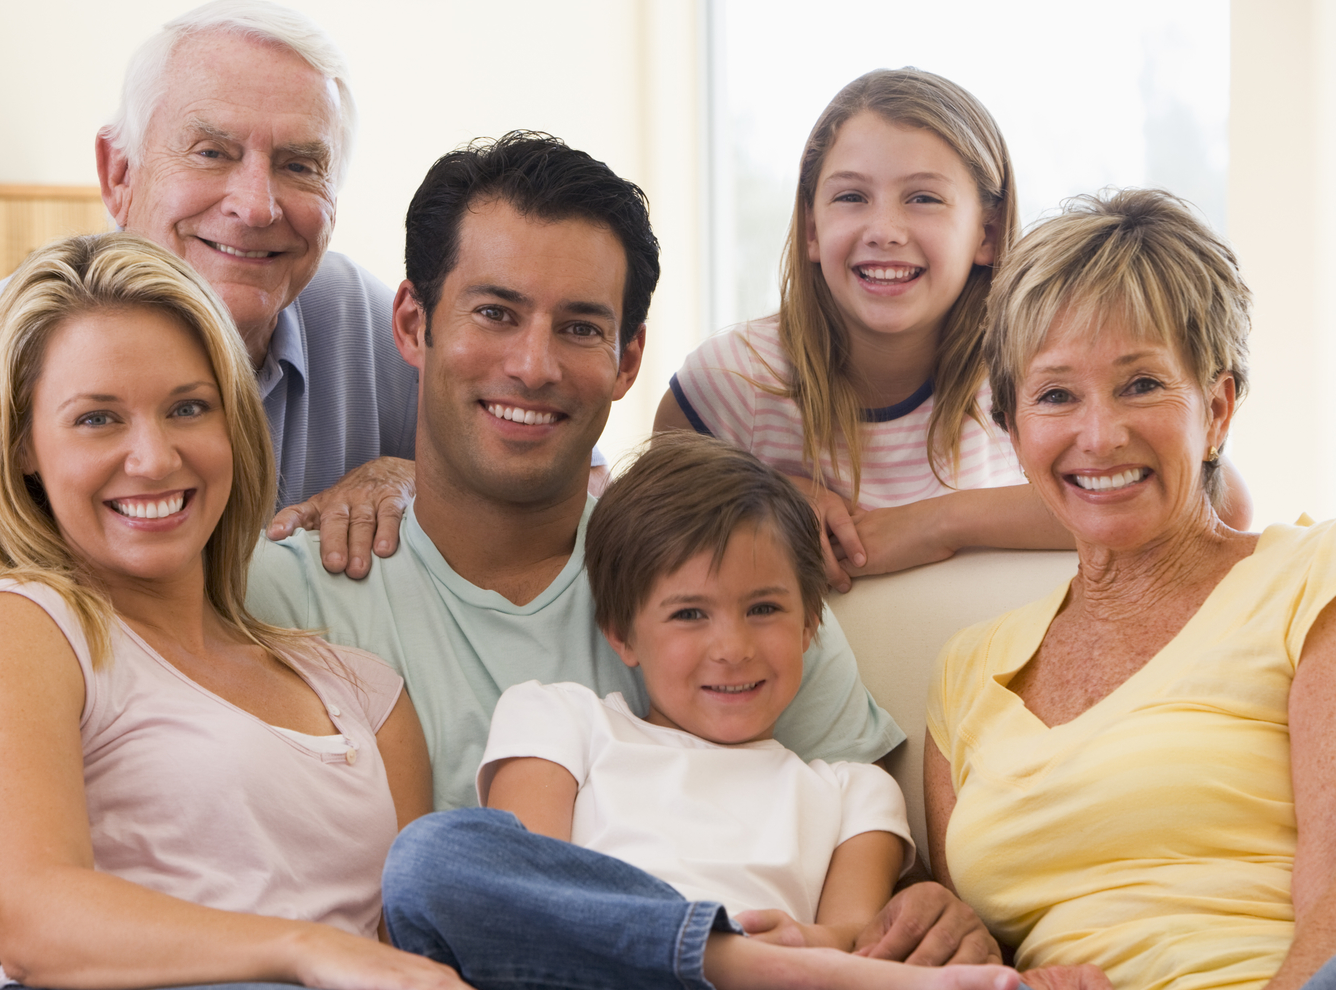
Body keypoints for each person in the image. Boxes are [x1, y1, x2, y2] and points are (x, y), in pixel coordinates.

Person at [248, 130, 998, 965]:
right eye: (495, 313)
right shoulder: (286, 596)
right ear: (415, 324)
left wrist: (935, 910)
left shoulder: (731, 588)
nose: (534, 366)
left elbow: (873, 865)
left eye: (579, 328)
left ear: (627, 358)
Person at [0, 0, 415, 956]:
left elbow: (558, 480)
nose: (257, 202)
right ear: (118, 172)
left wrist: (413, 475)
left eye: (300, 163)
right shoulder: (15, 341)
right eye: (212, 150)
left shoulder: (360, 315)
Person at [0, 231, 459, 990]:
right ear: (24, 446)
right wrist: (309, 948)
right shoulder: (25, 624)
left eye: (188, 408)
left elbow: (408, 960)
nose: (153, 458)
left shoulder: (365, 692)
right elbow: (34, 918)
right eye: (97, 419)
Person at [381, 433, 1018, 990]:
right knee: (430, 856)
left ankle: (738, 968)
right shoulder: (561, 719)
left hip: (781, 981)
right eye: (689, 614)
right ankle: (724, 961)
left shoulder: (856, 792)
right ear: (622, 634)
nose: (732, 650)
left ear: (809, 626)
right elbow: (531, 893)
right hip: (586, 976)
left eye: (764, 609)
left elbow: (856, 945)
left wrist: (814, 949)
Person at [925, 189, 1336, 990]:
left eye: (1142, 384)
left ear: (1215, 410)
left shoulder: (1310, 580)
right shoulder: (967, 675)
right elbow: (976, 950)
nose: (1100, 434)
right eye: (1055, 395)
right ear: (1012, 429)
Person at [655, 69, 1250, 592]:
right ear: (811, 229)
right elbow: (644, 540)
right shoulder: (732, 382)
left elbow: (1218, 499)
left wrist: (940, 522)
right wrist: (761, 497)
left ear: (986, 233)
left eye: (923, 198)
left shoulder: (1034, 376)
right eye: (851, 197)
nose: (885, 229)